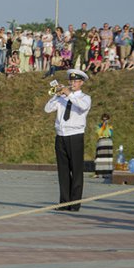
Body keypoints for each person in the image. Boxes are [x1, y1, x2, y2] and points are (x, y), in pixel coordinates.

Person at [44, 69, 92, 211]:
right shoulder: (62, 98)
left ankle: (75, 203)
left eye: (76, 81)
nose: (72, 83)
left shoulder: (84, 98)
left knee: (76, 170)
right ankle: (64, 202)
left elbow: (82, 107)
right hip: (61, 135)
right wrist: (56, 95)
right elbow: (47, 109)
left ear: (81, 83)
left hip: (75, 135)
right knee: (63, 171)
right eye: (71, 81)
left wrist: (69, 93)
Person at [94, 113, 114, 179]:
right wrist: (103, 126)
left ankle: (108, 172)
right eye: (104, 119)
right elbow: (99, 133)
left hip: (108, 142)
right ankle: (99, 173)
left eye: (106, 119)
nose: (105, 121)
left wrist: (106, 127)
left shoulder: (110, 126)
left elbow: (110, 134)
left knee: (108, 158)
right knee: (100, 158)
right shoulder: (98, 126)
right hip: (101, 142)